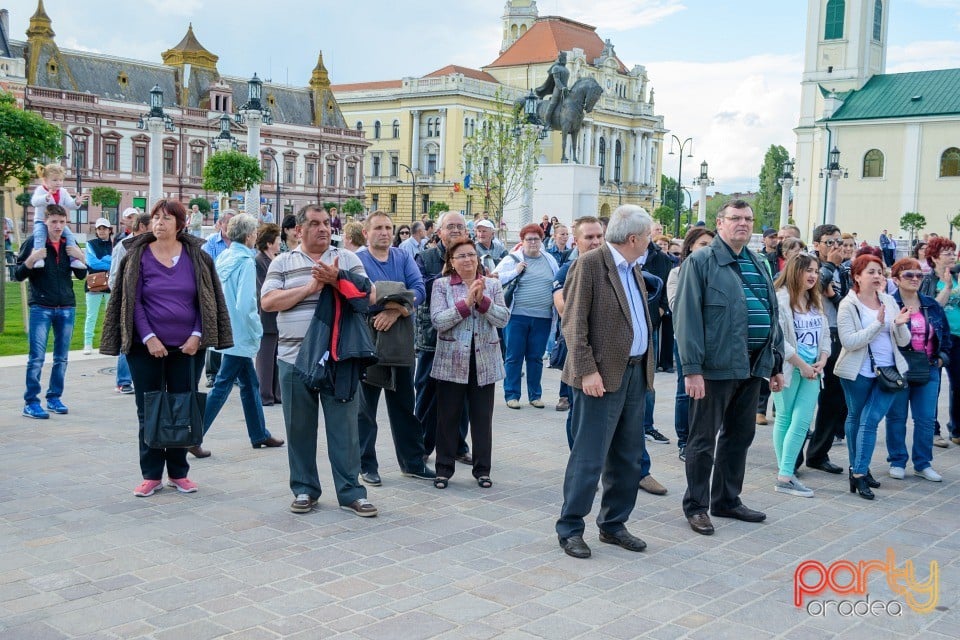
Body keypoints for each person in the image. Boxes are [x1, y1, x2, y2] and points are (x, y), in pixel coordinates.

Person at [99, 199, 232, 497]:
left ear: (180, 224)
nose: (159, 223)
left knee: (181, 408)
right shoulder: (137, 256)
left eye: (166, 218)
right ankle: (150, 475)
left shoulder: (197, 257)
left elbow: (206, 300)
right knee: (149, 410)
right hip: (144, 347)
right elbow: (133, 302)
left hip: (188, 349)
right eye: (156, 218)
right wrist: (149, 337)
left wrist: (197, 334)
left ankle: (178, 473)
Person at [260, 204, 379, 517]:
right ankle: (304, 489)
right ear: (299, 230)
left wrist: (337, 278)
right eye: (315, 224)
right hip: (293, 360)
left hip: (339, 359)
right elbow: (269, 301)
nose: (324, 229)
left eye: (327, 223)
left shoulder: (348, 259)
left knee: (345, 430)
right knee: (299, 428)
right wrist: (310, 287)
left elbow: (369, 297)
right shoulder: (283, 262)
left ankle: (352, 492)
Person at [675, 200, 784, 535]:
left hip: (752, 367)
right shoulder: (701, 260)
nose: (743, 224)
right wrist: (692, 369)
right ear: (720, 223)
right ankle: (696, 505)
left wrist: (776, 362)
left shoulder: (758, 261)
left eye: (748, 218)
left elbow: (772, 312)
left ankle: (726, 499)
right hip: (715, 367)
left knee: (740, 435)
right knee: (703, 439)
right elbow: (687, 316)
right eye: (735, 218)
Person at [555, 205, 656, 559]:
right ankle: (570, 527)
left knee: (628, 456)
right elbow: (573, 322)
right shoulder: (591, 263)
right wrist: (586, 371)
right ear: (633, 238)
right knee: (589, 456)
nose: (650, 241)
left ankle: (613, 524)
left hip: (633, 373)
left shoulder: (633, 269)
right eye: (648, 236)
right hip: (598, 377)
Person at [192, 214, 284, 457]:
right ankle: (194, 434)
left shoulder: (224, 257)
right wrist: (256, 329)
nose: (256, 236)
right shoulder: (245, 262)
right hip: (241, 331)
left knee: (249, 383)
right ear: (248, 235)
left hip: (227, 329)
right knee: (223, 385)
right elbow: (247, 302)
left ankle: (259, 433)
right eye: (254, 232)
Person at [356, 212, 434, 485]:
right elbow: (362, 293)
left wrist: (398, 309)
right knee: (365, 408)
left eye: (388, 227)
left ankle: (412, 462)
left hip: (400, 340)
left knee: (404, 404)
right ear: (366, 233)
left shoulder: (402, 257)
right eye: (378, 228)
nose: (385, 232)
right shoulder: (358, 260)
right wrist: (393, 301)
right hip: (369, 339)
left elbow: (418, 289)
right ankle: (365, 464)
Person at [430, 238, 509, 489]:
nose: (468, 259)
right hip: (451, 361)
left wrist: (483, 302)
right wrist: (465, 304)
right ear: (451, 262)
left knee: (482, 418)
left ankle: (482, 470)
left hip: (484, 360)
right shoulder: (441, 285)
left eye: (471, 255)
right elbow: (438, 321)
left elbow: (503, 319)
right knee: (447, 417)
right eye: (461, 256)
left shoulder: (493, 285)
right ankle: (443, 469)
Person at [835, 254, 911, 500]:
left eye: (879, 271)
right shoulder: (849, 304)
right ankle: (860, 470)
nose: (877, 276)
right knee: (856, 418)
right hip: (858, 372)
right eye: (871, 272)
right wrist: (876, 325)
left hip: (889, 373)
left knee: (870, 421)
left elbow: (904, 340)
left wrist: (899, 325)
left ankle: (857, 473)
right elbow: (849, 342)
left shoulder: (889, 300)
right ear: (857, 276)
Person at [15, 205, 88, 419]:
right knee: (36, 358)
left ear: (66, 223)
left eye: (62, 222)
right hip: (41, 307)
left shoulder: (69, 244)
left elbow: (82, 276)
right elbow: (18, 275)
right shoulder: (34, 242)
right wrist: (31, 259)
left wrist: (81, 257)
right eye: (54, 222)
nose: (57, 226)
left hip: (66, 307)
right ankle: (31, 402)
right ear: (45, 221)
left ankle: (54, 398)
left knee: (61, 358)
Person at [886, 258, 951, 482]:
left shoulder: (931, 305)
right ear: (896, 279)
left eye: (918, 275)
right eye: (908, 275)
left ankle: (923, 463)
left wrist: (941, 359)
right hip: (900, 367)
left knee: (925, 419)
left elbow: (946, 338)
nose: (915, 279)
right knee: (897, 417)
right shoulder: (889, 304)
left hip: (929, 367)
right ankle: (897, 460)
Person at [770, 254, 830, 498]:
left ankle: (786, 472)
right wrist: (800, 364)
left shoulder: (814, 300)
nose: (813, 275)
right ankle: (785, 474)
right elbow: (778, 339)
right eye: (808, 270)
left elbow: (825, 334)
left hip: (813, 370)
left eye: (816, 271)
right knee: (785, 419)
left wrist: (823, 358)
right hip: (788, 368)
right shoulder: (781, 299)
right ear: (795, 271)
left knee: (803, 419)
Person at [415, 212, 473, 463]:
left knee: (462, 394)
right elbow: (421, 287)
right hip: (432, 336)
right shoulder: (426, 257)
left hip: (463, 337)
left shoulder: (471, 257)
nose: (456, 231)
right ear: (438, 232)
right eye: (450, 227)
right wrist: (449, 275)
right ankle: (422, 446)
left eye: (460, 227)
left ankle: (458, 445)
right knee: (427, 392)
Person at [797, 224, 847, 474]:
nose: (836, 247)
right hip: (808, 338)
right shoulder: (810, 265)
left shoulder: (843, 270)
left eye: (838, 242)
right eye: (829, 242)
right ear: (817, 244)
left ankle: (818, 453)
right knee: (802, 402)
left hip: (836, 338)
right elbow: (812, 288)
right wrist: (829, 266)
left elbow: (845, 301)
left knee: (834, 401)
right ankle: (792, 457)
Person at [494, 223, 560, 409]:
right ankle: (512, 395)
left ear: (541, 241)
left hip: (543, 318)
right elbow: (494, 278)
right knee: (514, 356)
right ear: (522, 242)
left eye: (536, 239)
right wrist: (515, 272)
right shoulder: (513, 259)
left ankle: (535, 395)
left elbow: (557, 282)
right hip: (517, 316)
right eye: (529, 239)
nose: (533, 242)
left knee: (536, 357)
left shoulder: (549, 260)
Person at [666, 227, 716, 462]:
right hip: (687, 340)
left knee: (710, 392)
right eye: (703, 244)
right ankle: (684, 441)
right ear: (690, 248)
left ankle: (703, 440)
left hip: (715, 342)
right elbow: (677, 306)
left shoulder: (719, 273)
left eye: (711, 245)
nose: (708, 249)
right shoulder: (678, 273)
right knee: (685, 391)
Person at [919, 236, 960, 447]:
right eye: (947, 253)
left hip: (959, 336)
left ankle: (957, 429)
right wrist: (946, 287)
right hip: (938, 338)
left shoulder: (958, 276)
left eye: (953, 252)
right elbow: (930, 309)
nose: (952, 256)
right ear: (934, 257)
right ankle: (933, 431)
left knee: (958, 384)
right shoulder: (929, 280)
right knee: (933, 386)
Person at [108, 212, 151, 394]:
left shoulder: (149, 246)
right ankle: (124, 381)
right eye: (151, 227)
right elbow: (114, 278)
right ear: (142, 227)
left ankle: (142, 378)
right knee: (128, 341)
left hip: (146, 302)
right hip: (129, 301)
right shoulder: (122, 248)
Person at [30, 164, 87, 270]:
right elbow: (34, 202)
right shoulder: (40, 190)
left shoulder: (63, 192)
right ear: (45, 180)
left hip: (58, 222)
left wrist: (76, 202)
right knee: (39, 236)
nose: (58, 183)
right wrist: (45, 198)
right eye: (55, 180)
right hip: (41, 221)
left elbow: (70, 204)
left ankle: (74, 259)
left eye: (61, 180)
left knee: (70, 236)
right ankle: (39, 258)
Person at [255, 223, 283, 406]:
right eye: (278, 239)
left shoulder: (273, 259)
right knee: (265, 357)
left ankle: (277, 394)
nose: (280, 242)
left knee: (276, 356)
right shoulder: (259, 261)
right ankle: (265, 394)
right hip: (266, 315)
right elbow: (261, 289)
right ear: (269, 242)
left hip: (278, 314)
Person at [82, 218, 114, 355]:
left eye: (104, 228)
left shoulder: (115, 244)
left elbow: (117, 262)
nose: (102, 231)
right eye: (99, 228)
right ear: (96, 230)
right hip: (94, 283)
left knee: (111, 316)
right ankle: (87, 343)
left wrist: (105, 260)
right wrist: (109, 260)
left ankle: (108, 343)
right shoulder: (90, 244)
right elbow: (92, 263)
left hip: (111, 284)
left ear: (109, 230)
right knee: (91, 315)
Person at [535, 52, 570, 129]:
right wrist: (562, 88)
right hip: (558, 89)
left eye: (565, 58)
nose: (565, 60)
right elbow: (557, 81)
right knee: (553, 104)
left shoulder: (566, 70)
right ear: (560, 58)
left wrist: (567, 89)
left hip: (565, 90)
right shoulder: (556, 68)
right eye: (564, 58)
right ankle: (547, 122)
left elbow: (565, 82)